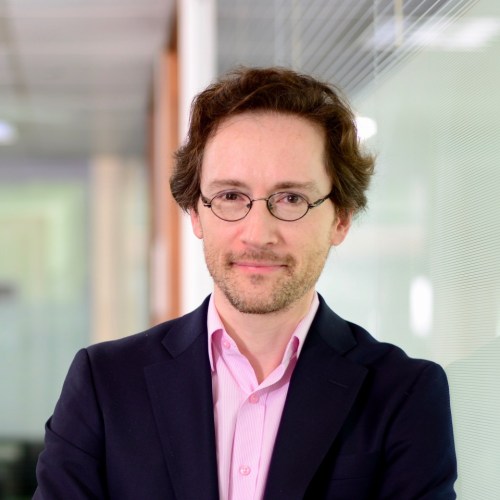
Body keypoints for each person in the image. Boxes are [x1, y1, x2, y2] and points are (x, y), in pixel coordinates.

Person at [34, 67, 457, 499]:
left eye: (291, 198)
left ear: (341, 219)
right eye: (231, 196)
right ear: (196, 214)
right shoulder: (106, 385)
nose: (257, 234)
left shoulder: (403, 395)